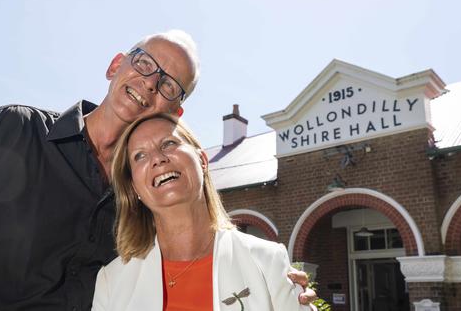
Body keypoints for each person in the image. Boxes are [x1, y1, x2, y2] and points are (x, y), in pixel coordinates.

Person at [0, 30, 314, 311]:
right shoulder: (9, 131)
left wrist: (271, 283)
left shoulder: (145, 198)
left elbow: (189, 263)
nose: (149, 83)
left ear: (174, 110)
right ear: (117, 65)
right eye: (144, 64)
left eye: (168, 83)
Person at [93, 113, 312, 311]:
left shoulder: (267, 260)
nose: (157, 159)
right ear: (134, 187)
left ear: (202, 160)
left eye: (169, 143)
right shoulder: (111, 281)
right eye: (140, 155)